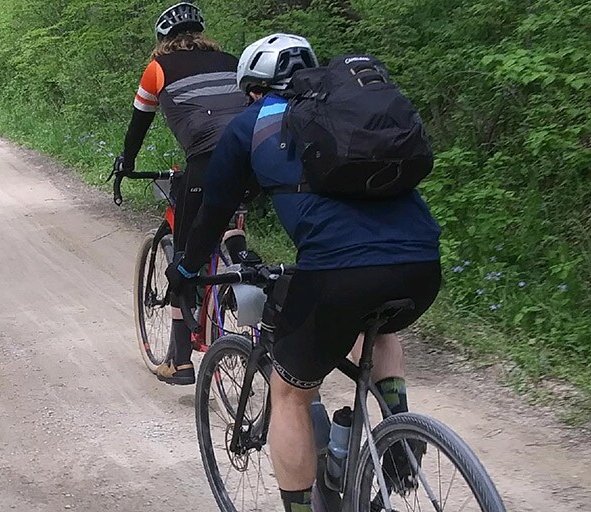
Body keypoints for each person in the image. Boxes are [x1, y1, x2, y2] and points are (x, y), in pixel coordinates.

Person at [168, 34, 442, 512]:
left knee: (291, 391)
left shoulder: (252, 123)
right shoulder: (349, 116)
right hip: (421, 263)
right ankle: (396, 426)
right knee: (376, 326)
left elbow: (215, 211)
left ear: (253, 90)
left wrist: (187, 269)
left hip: (338, 274)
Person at [114, 2, 249, 385]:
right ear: (201, 34)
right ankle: (246, 272)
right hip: (253, 155)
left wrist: (126, 163)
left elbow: (138, 125)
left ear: (163, 40)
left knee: (187, 254)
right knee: (228, 222)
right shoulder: (232, 61)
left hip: (205, 162)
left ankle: (180, 360)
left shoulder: (158, 68)